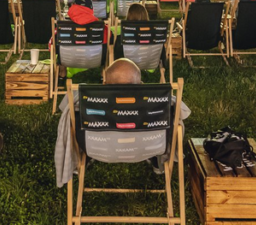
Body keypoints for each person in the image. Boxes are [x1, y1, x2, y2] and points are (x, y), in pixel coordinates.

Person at [55, 58, 190, 187]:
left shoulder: (85, 100)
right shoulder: (161, 102)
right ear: (141, 85)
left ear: (104, 85)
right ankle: (156, 162)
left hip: (96, 148)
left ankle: (86, 160)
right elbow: (180, 118)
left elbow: (65, 112)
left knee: (76, 120)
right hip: (149, 148)